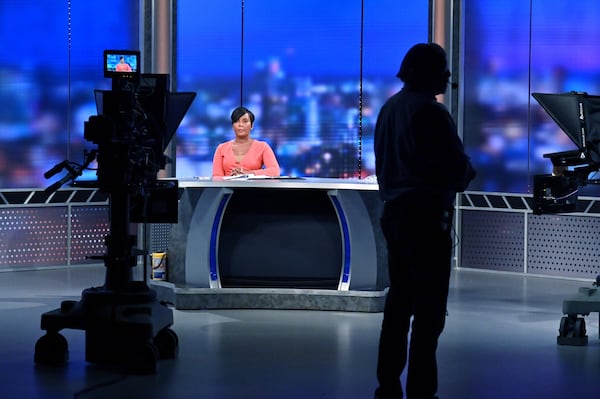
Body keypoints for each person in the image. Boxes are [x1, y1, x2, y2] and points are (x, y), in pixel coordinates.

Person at [373, 43, 476, 399]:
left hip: (395, 215)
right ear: (428, 72)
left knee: (399, 304)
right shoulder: (430, 113)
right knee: (429, 313)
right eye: (443, 68)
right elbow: (456, 169)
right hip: (426, 218)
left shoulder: (389, 108)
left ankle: (387, 385)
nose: (448, 76)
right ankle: (421, 391)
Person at [212, 106, 281, 177]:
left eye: (245, 121)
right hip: (227, 187)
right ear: (232, 126)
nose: (240, 125)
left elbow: (275, 171)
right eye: (236, 121)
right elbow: (217, 176)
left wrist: (249, 174)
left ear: (252, 125)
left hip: (254, 187)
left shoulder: (262, 146)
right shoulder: (221, 148)